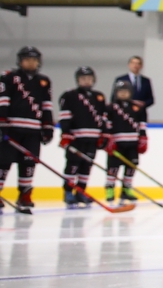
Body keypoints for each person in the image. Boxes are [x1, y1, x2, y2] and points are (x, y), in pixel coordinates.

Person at [0, 46, 53, 214]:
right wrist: (2, 122)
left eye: (34, 59)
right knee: (3, 162)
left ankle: (24, 195)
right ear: (20, 61)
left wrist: (48, 127)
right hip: (12, 128)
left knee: (29, 163)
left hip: (33, 131)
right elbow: (3, 99)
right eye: (27, 59)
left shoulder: (44, 81)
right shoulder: (9, 77)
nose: (31, 62)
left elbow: (46, 106)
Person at [56, 66, 106, 207]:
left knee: (86, 166)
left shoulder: (99, 97)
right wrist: (66, 132)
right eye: (83, 79)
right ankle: (68, 192)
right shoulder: (69, 96)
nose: (86, 81)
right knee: (73, 165)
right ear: (78, 80)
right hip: (76, 138)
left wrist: (104, 135)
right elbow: (65, 116)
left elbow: (103, 118)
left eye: (89, 78)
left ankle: (81, 191)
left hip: (92, 138)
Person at [104, 78, 148, 203]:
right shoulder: (110, 107)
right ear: (115, 92)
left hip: (132, 143)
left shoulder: (137, 107)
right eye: (120, 91)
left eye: (126, 91)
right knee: (113, 167)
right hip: (117, 143)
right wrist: (108, 139)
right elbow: (106, 124)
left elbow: (142, 124)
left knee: (131, 166)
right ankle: (110, 188)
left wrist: (143, 137)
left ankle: (126, 189)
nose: (123, 93)